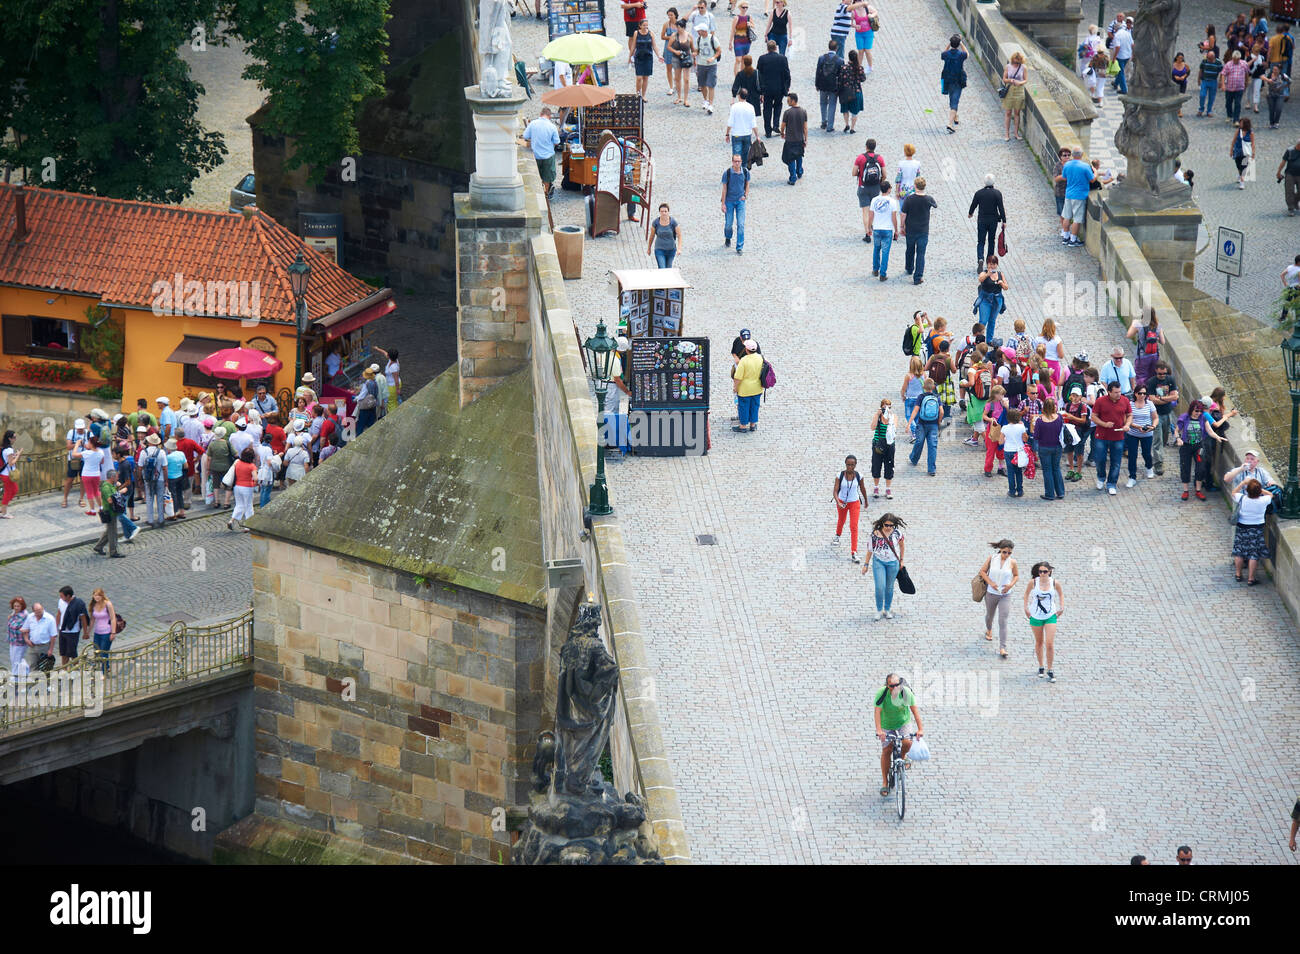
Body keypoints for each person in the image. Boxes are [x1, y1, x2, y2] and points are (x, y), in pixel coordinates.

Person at [873, 673, 922, 796]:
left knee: (907, 743)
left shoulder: (906, 693)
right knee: (887, 750)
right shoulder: (882, 693)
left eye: (897, 685)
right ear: (887, 685)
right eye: (891, 686)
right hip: (887, 724)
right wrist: (879, 730)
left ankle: (903, 756)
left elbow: (915, 711)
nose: (895, 688)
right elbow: (877, 712)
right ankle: (885, 782)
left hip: (903, 722)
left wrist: (920, 729)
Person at [1024, 562, 1063, 682]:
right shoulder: (1033, 582)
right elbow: (1026, 594)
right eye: (1040, 571)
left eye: (1045, 571)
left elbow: (1061, 594)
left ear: (1049, 571)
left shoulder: (1054, 582)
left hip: (1050, 614)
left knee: (1049, 643)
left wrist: (1061, 607)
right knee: (1039, 642)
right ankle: (1041, 666)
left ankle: (1050, 669)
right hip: (1035, 615)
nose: (1042, 574)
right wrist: (1026, 608)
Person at [978, 539, 1019, 657]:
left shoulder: (1012, 562)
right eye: (1005, 552)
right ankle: (989, 629)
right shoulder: (992, 558)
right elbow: (982, 571)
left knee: (1003, 620)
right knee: (990, 616)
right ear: (1000, 550)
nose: (1007, 555)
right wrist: (991, 583)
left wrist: (1011, 584)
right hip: (991, 593)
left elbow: (1016, 575)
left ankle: (1003, 648)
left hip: (1005, 595)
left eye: (1009, 553)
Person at [862, 513, 906, 621]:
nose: (888, 527)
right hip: (879, 562)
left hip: (893, 563)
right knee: (880, 587)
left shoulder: (897, 533)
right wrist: (866, 565)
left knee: (889, 587)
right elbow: (869, 551)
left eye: (891, 525)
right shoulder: (875, 534)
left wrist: (901, 560)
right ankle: (878, 610)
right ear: (882, 523)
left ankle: (887, 609)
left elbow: (902, 546)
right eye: (886, 525)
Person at [1092, 380, 1132, 495]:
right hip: (1102, 436)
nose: (1118, 394)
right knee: (1100, 459)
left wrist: (1127, 425)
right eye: (1115, 392)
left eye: (1119, 392)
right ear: (1109, 392)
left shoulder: (1125, 401)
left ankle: (1112, 483)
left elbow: (1129, 415)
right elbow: (1093, 417)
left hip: (1118, 436)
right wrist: (1104, 424)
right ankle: (1101, 477)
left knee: (1116, 462)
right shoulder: (1100, 401)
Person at [900, 176, 936, 286]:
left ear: (915, 186)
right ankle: (918, 277)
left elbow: (903, 214)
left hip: (911, 229)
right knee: (921, 254)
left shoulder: (909, 199)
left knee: (910, 249)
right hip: (923, 230)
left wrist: (902, 226)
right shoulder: (928, 199)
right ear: (924, 186)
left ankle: (909, 268)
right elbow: (935, 205)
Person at [1055, 147, 1094, 248]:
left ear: (1072, 155)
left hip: (1068, 194)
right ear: (1081, 155)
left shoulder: (1067, 165)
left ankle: (1065, 237)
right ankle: (1073, 240)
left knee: (1066, 216)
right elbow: (1092, 180)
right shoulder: (1085, 166)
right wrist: (1097, 172)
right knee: (1077, 219)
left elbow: (1065, 176)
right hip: (1079, 195)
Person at [1146, 361, 1179, 476]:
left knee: (1164, 438)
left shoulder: (1170, 379)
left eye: (1164, 373)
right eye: (1160, 373)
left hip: (1167, 413)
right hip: (1156, 414)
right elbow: (1152, 399)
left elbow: (1175, 396)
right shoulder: (1151, 382)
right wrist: (1168, 398)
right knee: (1158, 439)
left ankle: (1158, 455)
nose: (1162, 375)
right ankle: (1158, 463)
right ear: (1156, 371)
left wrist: (1162, 398)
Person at [832, 454, 867, 562]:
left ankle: (854, 552)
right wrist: (838, 502)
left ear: (855, 465)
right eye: (848, 465)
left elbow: (862, 488)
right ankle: (837, 535)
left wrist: (866, 500)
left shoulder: (859, 476)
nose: (850, 467)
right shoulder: (840, 476)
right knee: (841, 520)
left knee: (854, 526)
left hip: (854, 503)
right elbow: (835, 491)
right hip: (842, 502)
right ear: (845, 464)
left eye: (852, 465)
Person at [968, 175, 1006, 272]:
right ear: (993, 182)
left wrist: (970, 213)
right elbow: (1001, 208)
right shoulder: (997, 194)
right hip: (993, 221)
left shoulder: (979, 193)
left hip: (982, 220)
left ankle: (980, 258)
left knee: (981, 241)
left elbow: (973, 205)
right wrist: (1004, 221)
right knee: (991, 241)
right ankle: (990, 263)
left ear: (984, 182)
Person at [521, 107, 562, 198]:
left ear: (540, 114)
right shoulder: (552, 126)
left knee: (536, 177)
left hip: (536, 155)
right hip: (548, 156)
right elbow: (557, 142)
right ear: (549, 116)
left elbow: (525, 136)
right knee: (547, 178)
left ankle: (537, 196)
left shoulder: (533, 124)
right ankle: (545, 196)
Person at [852, 138, 887, 239]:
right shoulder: (879, 158)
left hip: (863, 187)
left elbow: (853, 173)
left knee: (865, 211)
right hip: (875, 187)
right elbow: (885, 174)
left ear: (866, 146)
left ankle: (867, 233)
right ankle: (873, 227)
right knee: (874, 210)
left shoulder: (860, 158)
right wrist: (880, 181)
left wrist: (860, 174)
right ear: (874, 147)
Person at [1123, 385, 1157, 487]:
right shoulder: (1130, 404)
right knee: (1132, 455)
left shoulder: (1149, 404)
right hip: (1133, 433)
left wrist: (1153, 426)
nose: (1142, 395)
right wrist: (1137, 427)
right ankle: (1132, 477)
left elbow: (1155, 417)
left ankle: (1149, 466)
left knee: (1146, 453)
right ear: (1135, 394)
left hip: (1147, 434)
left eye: (1144, 393)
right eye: (1140, 393)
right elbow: (1126, 419)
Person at [906, 379, 941, 476]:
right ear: (933, 387)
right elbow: (941, 411)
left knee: (919, 442)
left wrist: (909, 423)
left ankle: (914, 458)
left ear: (924, 387)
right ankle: (931, 469)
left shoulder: (921, 397)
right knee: (932, 446)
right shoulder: (937, 397)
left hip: (922, 424)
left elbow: (915, 410)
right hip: (933, 424)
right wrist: (938, 422)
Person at [756, 40, 790, 137]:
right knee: (778, 105)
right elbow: (787, 74)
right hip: (779, 88)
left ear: (767, 48)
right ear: (776, 48)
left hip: (766, 89)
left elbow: (759, 75)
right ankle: (775, 124)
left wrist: (760, 90)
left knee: (767, 108)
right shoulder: (783, 59)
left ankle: (768, 130)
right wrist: (786, 88)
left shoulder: (762, 59)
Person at [867, 180, 899, 281]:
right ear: (889, 189)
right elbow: (894, 217)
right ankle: (883, 274)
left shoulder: (874, 200)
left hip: (876, 228)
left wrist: (869, 227)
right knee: (885, 252)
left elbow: (871, 215)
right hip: (887, 229)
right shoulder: (892, 201)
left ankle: (875, 269)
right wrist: (896, 229)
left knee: (876, 249)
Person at [1034, 399, 1066, 500]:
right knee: (1056, 468)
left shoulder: (1040, 421)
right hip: (1057, 447)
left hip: (1044, 447)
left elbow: (1036, 436)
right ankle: (1060, 492)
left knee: (1047, 470)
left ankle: (1050, 493)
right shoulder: (1059, 418)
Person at [866, 399, 896, 499]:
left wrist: (889, 417)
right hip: (878, 444)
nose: (887, 408)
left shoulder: (894, 417)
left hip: (889, 445)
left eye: (889, 406)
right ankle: (876, 487)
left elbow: (894, 429)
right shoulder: (878, 416)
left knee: (889, 466)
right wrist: (877, 415)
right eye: (885, 406)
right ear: (881, 407)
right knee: (876, 465)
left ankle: (888, 488)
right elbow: (872, 427)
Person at [721, 152, 750, 254]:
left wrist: (745, 195)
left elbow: (747, 184)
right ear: (732, 162)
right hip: (729, 201)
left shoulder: (745, 172)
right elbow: (724, 189)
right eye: (735, 161)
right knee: (728, 224)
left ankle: (739, 247)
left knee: (741, 224)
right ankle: (728, 237)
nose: (737, 163)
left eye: (739, 161)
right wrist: (723, 203)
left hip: (740, 202)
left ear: (741, 162)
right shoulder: (727, 173)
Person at [975, 255, 1008, 344]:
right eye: (990, 264)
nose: (992, 266)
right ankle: (979, 340)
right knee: (983, 321)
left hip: (997, 300)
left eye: (994, 264)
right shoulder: (984, 273)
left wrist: (1001, 283)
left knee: (992, 320)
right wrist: (987, 274)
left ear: (996, 265)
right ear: (987, 264)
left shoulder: (1000, 274)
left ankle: (989, 339)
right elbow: (980, 279)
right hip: (985, 300)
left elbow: (1006, 287)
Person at [92, 469, 124, 557]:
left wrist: (117, 488)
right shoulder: (106, 487)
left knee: (109, 530)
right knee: (113, 532)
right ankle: (113, 551)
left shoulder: (111, 485)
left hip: (112, 511)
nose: (118, 478)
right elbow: (110, 500)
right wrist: (120, 492)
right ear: (112, 477)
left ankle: (98, 546)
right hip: (109, 512)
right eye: (117, 477)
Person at [732, 337, 763, 431]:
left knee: (743, 407)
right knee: (755, 406)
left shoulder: (744, 361)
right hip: (757, 388)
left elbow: (738, 377)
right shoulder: (760, 358)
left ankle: (743, 426)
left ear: (746, 349)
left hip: (745, 389)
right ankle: (753, 425)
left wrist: (735, 388)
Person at [814, 41, 845, 133]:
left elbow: (817, 72)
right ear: (836, 48)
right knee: (832, 105)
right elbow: (841, 76)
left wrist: (817, 84)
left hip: (822, 85)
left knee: (823, 103)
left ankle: (824, 121)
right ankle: (830, 126)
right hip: (833, 86)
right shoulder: (840, 60)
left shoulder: (821, 58)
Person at [55, 585, 89, 667]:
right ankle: (64, 669)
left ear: (68, 596)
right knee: (63, 652)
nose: (60, 597)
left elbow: (83, 618)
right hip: (62, 630)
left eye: (62, 596)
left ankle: (75, 669)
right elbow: (59, 614)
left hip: (73, 631)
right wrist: (55, 627)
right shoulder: (61, 601)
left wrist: (85, 632)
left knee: (72, 653)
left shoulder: (78, 604)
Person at [19, 602, 58, 671]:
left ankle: (45, 680)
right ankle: (34, 680)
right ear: (34, 611)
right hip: (32, 646)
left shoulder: (50, 619)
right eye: (37, 612)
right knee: (32, 665)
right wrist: (26, 640)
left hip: (44, 646)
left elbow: (53, 636)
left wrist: (51, 650)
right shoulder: (30, 617)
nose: (39, 613)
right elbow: (25, 629)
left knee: (45, 667)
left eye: (40, 611)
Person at [779, 92, 807, 184]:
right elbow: (805, 127)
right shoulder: (803, 111)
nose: (787, 102)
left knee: (790, 158)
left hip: (790, 140)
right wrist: (805, 138)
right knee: (799, 156)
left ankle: (793, 177)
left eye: (788, 100)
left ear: (793, 101)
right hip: (799, 139)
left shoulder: (787, 113)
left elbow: (783, 125)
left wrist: (782, 133)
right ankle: (799, 171)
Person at [941, 35, 967, 133]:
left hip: (947, 80)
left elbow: (943, 53)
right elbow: (967, 54)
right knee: (954, 102)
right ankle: (950, 124)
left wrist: (949, 43)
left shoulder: (947, 54)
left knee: (952, 98)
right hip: (957, 81)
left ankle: (955, 117)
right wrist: (961, 43)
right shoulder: (961, 55)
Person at [229, 446, 258, 532]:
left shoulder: (238, 463)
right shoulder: (252, 466)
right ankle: (248, 526)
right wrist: (256, 483)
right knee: (249, 506)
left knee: (239, 505)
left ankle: (232, 520)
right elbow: (255, 478)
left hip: (237, 486)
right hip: (247, 487)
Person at [88, 587, 116, 675]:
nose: (97, 597)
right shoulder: (93, 605)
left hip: (107, 632)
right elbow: (92, 620)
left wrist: (113, 632)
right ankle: (106, 667)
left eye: (99, 595)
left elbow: (113, 618)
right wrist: (88, 632)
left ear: (102, 596)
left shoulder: (108, 604)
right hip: (97, 632)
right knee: (97, 651)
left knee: (104, 652)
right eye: (95, 595)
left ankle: (104, 672)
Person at [1000, 408, 1028, 498]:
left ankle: (1012, 490)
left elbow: (1000, 442)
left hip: (1008, 450)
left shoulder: (1004, 428)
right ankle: (1020, 490)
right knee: (1019, 471)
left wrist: (1005, 439)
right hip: (1018, 451)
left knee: (1010, 472)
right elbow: (1025, 439)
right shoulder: (1021, 427)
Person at [725, 88, 758, 162]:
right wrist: (757, 136)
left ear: (739, 96)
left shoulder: (734, 107)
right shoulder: (751, 107)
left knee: (737, 157)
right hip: (747, 134)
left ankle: (737, 171)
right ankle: (744, 171)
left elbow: (730, 122)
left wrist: (727, 134)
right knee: (745, 157)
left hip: (736, 134)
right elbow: (753, 124)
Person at [694, 21, 721, 113]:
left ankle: (711, 104)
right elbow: (697, 50)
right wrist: (695, 53)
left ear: (704, 31)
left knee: (711, 84)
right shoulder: (699, 39)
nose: (698, 32)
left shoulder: (713, 39)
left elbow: (719, 50)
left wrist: (713, 58)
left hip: (711, 65)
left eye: (699, 31)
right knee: (702, 84)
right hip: (701, 64)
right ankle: (705, 100)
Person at [837, 49, 866, 134]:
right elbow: (863, 79)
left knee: (845, 110)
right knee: (854, 112)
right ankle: (852, 128)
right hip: (856, 92)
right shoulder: (859, 68)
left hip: (845, 92)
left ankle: (846, 124)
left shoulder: (844, 68)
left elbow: (840, 80)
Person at [1002, 51, 1028, 140]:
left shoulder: (1023, 67)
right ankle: (1006, 134)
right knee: (1008, 112)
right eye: (1015, 62)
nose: (1016, 63)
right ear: (1012, 60)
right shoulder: (1008, 67)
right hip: (1010, 90)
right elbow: (1004, 79)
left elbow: (1025, 80)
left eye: (1018, 62)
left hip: (1019, 91)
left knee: (1017, 112)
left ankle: (1016, 134)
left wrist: (1020, 82)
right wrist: (1011, 80)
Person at [646, 203, 683, 267]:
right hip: (659, 249)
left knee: (668, 268)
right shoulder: (656, 223)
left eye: (665, 211)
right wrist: (649, 248)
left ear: (668, 212)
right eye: (662, 211)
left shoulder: (673, 222)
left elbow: (679, 235)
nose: (664, 213)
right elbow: (652, 236)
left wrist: (679, 248)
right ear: (659, 212)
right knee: (662, 268)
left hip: (671, 249)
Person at [1220, 50, 1250, 125]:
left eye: (1237, 59)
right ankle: (1229, 115)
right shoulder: (1228, 64)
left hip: (1239, 88)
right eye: (1234, 59)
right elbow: (1223, 74)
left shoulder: (1244, 64)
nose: (1236, 60)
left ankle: (1236, 119)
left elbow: (1246, 73)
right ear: (1232, 58)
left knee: (1238, 103)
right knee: (1228, 103)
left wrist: (1246, 82)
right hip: (1229, 88)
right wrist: (1223, 84)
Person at [666, 22, 692, 105]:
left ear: (683, 27)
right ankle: (679, 97)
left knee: (686, 79)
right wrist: (675, 51)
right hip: (676, 58)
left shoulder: (689, 36)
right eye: (677, 27)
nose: (678, 29)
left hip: (686, 58)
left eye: (679, 27)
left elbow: (693, 48)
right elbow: (668, 46)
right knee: (677, 78)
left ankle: (686, 99)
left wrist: (694, 56)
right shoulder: (674, 35)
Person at [163, 438, 188, 520]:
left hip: (171, 478)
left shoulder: (168, 457)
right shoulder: (181, 454)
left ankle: (173, 513)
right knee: (180, 494)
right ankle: (182, 512)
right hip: (180, 476)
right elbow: (186, 465)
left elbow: (165, 468)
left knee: (173, 495)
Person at [730, 2, 756, 76]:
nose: (745, 9)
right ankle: (736, 77)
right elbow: (732, 30)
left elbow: (754, 26)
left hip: (746, 41)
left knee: (743, 60)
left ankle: (741, 77)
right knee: (738, 59)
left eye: (746, 7)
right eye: (743, 7)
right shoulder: (736, 18)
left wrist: (750, 24)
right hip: (738, 40)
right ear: (740, 8)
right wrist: (730, 42)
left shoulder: (749, 17)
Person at [0, 430, 20, 519]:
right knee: (8, 492)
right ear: (9, 438)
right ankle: (4, 513)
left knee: (15, 490)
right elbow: (11, 463)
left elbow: (8, 460)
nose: (15, 439)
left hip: (5, 474)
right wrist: (18, 455)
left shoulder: (5, 448)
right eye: (14, 437)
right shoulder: (9, 449)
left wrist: (14, 455)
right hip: (7, 475)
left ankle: (3, 508)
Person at [1110, 17, 1133, 95]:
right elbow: (1132, 44)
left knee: (1121, 72)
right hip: (1128, 55)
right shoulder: (1127, 33)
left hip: (1121, 56)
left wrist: (1114, 57)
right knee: (1120, 71)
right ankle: (1116, 83)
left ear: (1116, 29)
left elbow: (1118, 47)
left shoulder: (1117, 35)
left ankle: (1124, 89)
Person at [1230, 117, 1255, 189]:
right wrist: (1231, 150)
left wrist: (1253, 153)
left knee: (1244, 166)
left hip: (1246, 152)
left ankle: (1242, 181)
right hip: (1238, 151)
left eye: (1241, 123)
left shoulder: (1251, 132)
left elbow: (1253, 143)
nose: (1240, 124)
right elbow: (1233, 140)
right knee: (1238, 165)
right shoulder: (1238, 131)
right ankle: (1240, 175)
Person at [1277, 139, 1300, 215]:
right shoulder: (1290, 151)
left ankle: (1295, 201)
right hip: (1290, 174)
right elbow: (1283, 162)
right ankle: (1291, 208)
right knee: (1289, 191)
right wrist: (1278, 172)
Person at [661, 7, 680, 96]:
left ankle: (677, 85)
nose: (670, 17)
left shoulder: (679, 25)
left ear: (675, 15)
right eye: (668, 15)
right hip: (668, 48)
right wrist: (671, 37)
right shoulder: (666, 24)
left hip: (677, 47)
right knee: (668, 68)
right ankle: (671, 87)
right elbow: (662, 36)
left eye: (671, 15)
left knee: (677, 68)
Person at [1197, 48, 1222, 116]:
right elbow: (1201, 70)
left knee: (1211, 97)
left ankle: (1209, 111)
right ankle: (1201, 109)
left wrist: (1220, 81)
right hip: (1204, 81)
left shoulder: (1218, 62)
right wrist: (1198, 79)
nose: (1209, 60)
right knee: (1202, 95)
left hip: (1213, 81)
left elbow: (1222, 72)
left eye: (1210, 58)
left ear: (1213, 57)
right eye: (1208, 58)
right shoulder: (1204, 61)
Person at [1264, 64, 1289, 129]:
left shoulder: (1283, 75)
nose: (1274, 71)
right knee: (1271, 110)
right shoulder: (1270, 75)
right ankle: (1271, 123)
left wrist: (1283, 87)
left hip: (1280, 95)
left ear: (1279, 70)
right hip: (1271, 95)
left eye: (1276, 70)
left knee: (1279, 109)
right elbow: (1268, 83)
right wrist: (1271, 80)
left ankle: (1276, 122)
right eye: (1273, 69)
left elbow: (1289, 81)